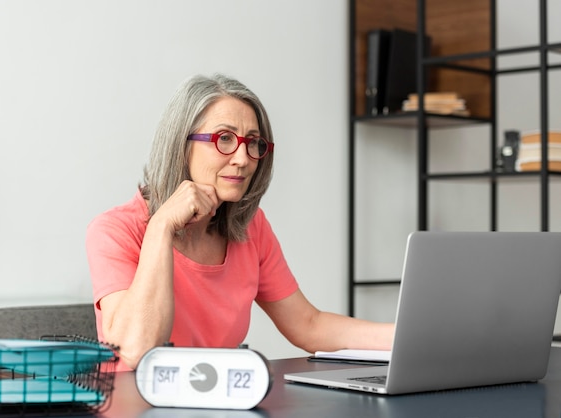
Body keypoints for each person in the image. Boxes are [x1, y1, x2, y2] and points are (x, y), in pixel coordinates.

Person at [86, 73, 394, 371]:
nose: (243, 158)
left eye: (253, 142)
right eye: (224, 139)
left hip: (216, 402)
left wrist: (412, 336)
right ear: (181, 145)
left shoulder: (252, 227)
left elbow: (308, 325)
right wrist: (160, 228)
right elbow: (137, 350)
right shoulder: (114, 230)